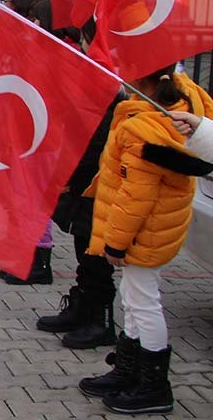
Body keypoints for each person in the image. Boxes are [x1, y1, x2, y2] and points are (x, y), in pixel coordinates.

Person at [78, 64, 212, 414]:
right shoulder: (187, 99)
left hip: (142, 232)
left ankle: (153, 385)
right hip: (158, 226)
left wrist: (115, 243)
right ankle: (128, 371)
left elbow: (135, 197)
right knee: (134, 297)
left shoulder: (142, 128)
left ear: (142, 81)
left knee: (142, 303)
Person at [32, 1, 121, 346]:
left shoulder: (115, 79)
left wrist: (74, 170)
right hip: (85, 173)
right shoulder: (94, 71)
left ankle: (100, 319)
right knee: (84, 243)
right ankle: (83, 305)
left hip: (101, 176)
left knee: (95, 248)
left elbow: (100, 137)